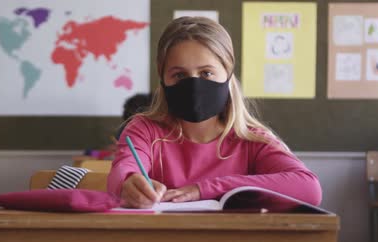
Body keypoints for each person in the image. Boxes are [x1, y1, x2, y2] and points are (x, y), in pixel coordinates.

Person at [107, 17, 322, 208]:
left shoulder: (250, 140)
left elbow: (309, 189)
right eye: (180, 75)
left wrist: (204, 189)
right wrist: (129, 182)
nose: (193, 84)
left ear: (227, 74)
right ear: (163, 79)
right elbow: (122, 173)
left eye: (206, 73)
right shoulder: (144, 130)